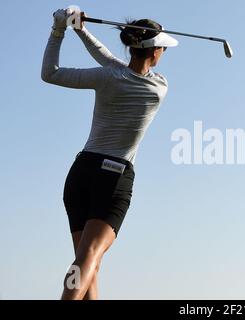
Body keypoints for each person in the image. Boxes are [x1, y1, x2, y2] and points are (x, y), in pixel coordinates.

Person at [41, 8, 178, 300]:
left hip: (81, 173)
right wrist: (78, 30)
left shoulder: (108, 78)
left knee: (89, 262)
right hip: (113, 176)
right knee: (88, 257)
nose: (164, 51)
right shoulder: (159, 87)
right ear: (153, 52)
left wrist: (62, 30)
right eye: (162, 47)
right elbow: (112, 62)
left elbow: (50, 73)